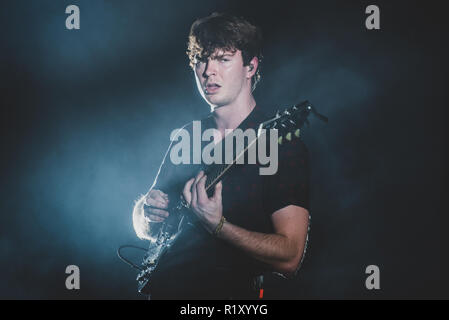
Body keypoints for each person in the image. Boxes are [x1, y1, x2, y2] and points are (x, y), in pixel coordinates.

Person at [132, 12, 310, 299]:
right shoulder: (186, 136)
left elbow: (290, 256)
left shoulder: (280, 144)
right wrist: (145, 212)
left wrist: (218, 226)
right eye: (201, 60)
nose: (208, 72)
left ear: (250, 67)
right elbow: (147, 227)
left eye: (223, 59)